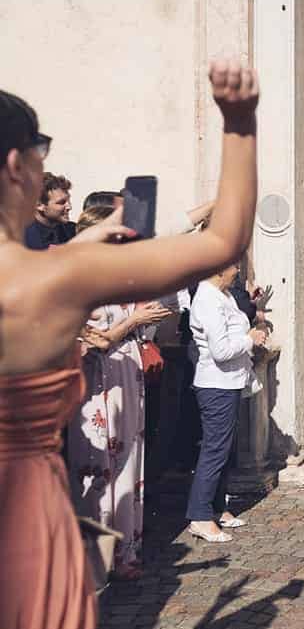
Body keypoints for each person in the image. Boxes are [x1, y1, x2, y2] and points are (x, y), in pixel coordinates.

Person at [0, 59, 259, 629]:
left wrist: (78, 245)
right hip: (24, 523)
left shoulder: (54, 266)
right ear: (17, 167)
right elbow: (224, 239)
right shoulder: (52, 279)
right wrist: (239, 122)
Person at [67, 204, 175, 580]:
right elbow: (93, 343)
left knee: (129, 463)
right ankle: (95, 559)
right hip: (98, 384)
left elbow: (137, 332)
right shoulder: (79, 282)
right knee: (98, 469)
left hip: (128, 377)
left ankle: (125, 552)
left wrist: (148, 320)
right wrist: (135, 320)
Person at [186, 260, 268, 542]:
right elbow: (220, 350)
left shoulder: (224, 294)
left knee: (225, 448)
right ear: (218, 268)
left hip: (230, 382)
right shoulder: (207, 299)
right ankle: (199, 515)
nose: (237, 271)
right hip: (215, 384)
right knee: (214, 449)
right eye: (233, 266)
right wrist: (250, 340)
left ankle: (217, 507)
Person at [24, 171, 76, 249]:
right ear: (39, 205)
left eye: (68, 200)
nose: (69, 207)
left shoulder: (72, 231)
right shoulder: (21, 239)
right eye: (61, 202)